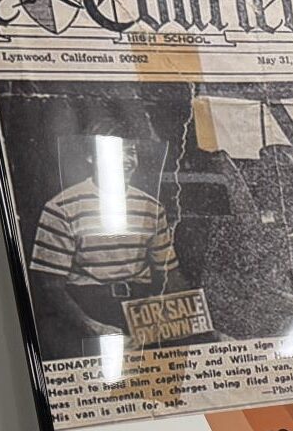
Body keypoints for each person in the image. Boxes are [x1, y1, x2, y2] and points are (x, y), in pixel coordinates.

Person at [28, 115, 189, 358]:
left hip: (139, 308)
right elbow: (50, 287)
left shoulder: (151, 208)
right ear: (91, 157)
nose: (126, 161)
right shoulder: (61, 207)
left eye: (131, 152)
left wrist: (200, 324)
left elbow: (170, 273)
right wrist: (93, 327)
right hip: (87, 309)